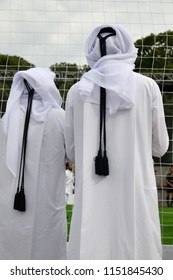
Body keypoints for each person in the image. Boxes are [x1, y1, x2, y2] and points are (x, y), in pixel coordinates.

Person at [65, 24, 169, 260]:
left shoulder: (76, 91)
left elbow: (71, 153)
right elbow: (160, 147)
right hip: (135, 186)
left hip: (92, 190)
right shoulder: (147, 86)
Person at [0, 67, 67, 259]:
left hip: (9, 199)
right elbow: (72, 155)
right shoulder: (59, 116)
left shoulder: (7, 119)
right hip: (47, 198)